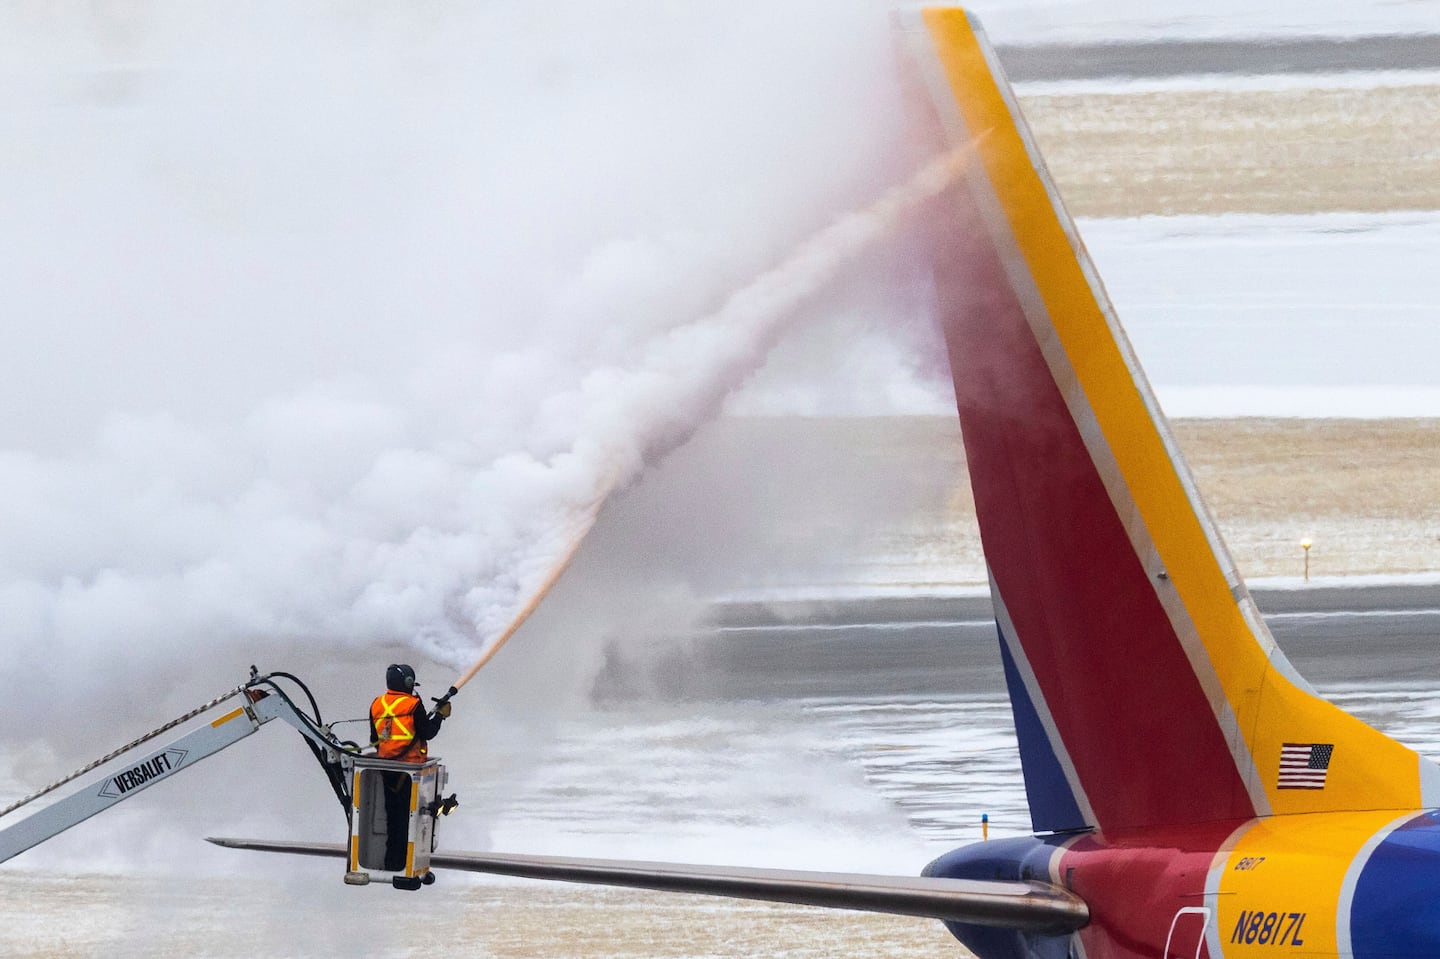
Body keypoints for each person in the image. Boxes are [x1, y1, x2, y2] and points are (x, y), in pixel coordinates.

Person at [369, 663, 450, 870]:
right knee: (409, 820)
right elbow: (427, 732)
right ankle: (405, 865)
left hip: (387, 771)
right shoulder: (413, 705)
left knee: (392, 818)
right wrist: (440, 716)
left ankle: (391, 862)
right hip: (411, 773)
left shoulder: (377, 704)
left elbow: (374, 738)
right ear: (407, 682)